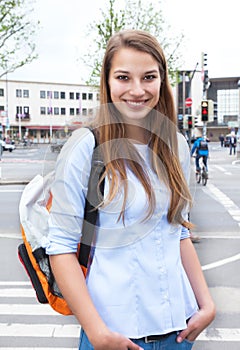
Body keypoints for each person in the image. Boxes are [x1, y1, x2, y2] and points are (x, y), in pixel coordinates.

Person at [46, 29, 215, 350]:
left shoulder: (176, 145)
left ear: (161, 82)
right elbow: (61, 247)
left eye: (148, 77)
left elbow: (178, 232)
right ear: (107, 82)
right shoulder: (86, 146)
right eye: (123, 77)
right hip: (113, 335)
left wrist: (206, 303)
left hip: (178, 332)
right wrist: (96, 333)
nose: (137, 90)